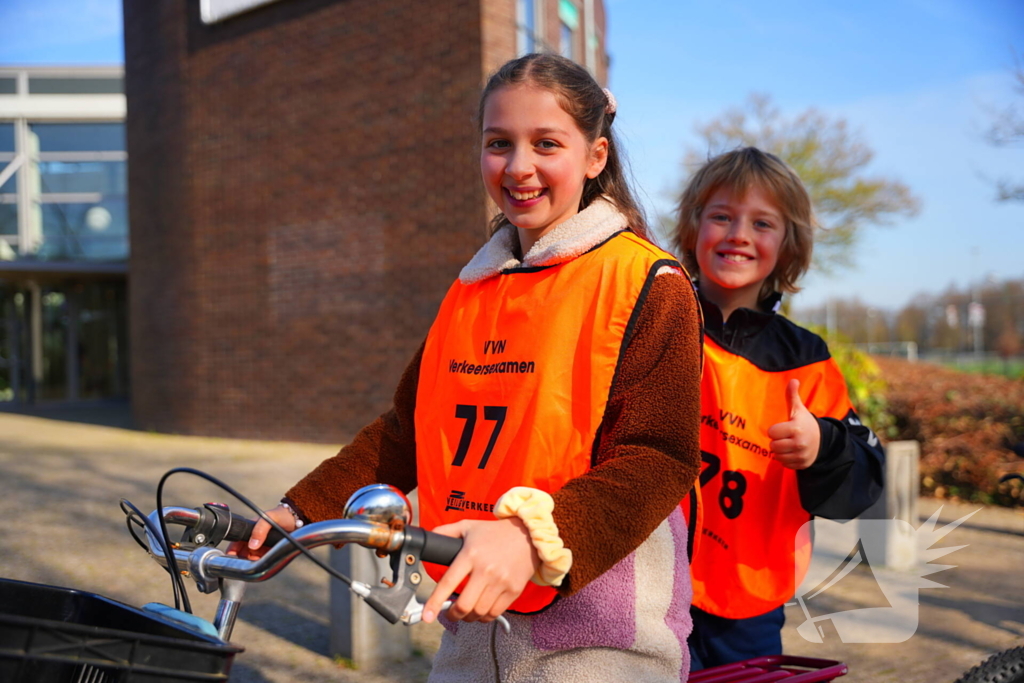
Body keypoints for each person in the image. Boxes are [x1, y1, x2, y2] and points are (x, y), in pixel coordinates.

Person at [240, 53, 704, 682]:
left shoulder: (649, 282)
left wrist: (529, 538)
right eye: (498, 143)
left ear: (595, 157)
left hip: (599, 643)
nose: (519, 167)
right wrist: (294, 513)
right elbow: (407, 431)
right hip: (470, 631)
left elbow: (659, 456)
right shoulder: (472, 289)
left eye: (546, 143)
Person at [670, 147, 885, 670]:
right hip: (648, 583)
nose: (738, 234)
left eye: (761, 222)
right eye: (721, 216)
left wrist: (822, 445)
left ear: (787, 247)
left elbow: (865, 476)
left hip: (750, 591)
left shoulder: (805, 359)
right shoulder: (657, 322)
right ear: (693, 230)